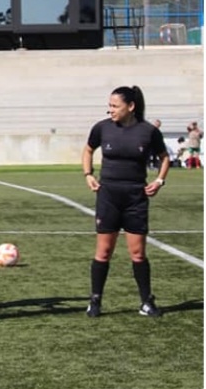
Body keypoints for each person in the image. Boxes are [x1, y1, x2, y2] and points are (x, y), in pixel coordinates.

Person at [82, 85, 170, 318]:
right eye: (109, 105)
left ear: (130, 107)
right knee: (103, 252)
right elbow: (88, 150)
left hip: (135, 198)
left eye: (115, 106)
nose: (110, 110)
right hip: (108, 195)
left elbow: (164, 158)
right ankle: (95, 300)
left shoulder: (148, 131)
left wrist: (159, 181)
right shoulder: (102, 128)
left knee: (138, 253)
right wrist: (88, 174)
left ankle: (146, 302)